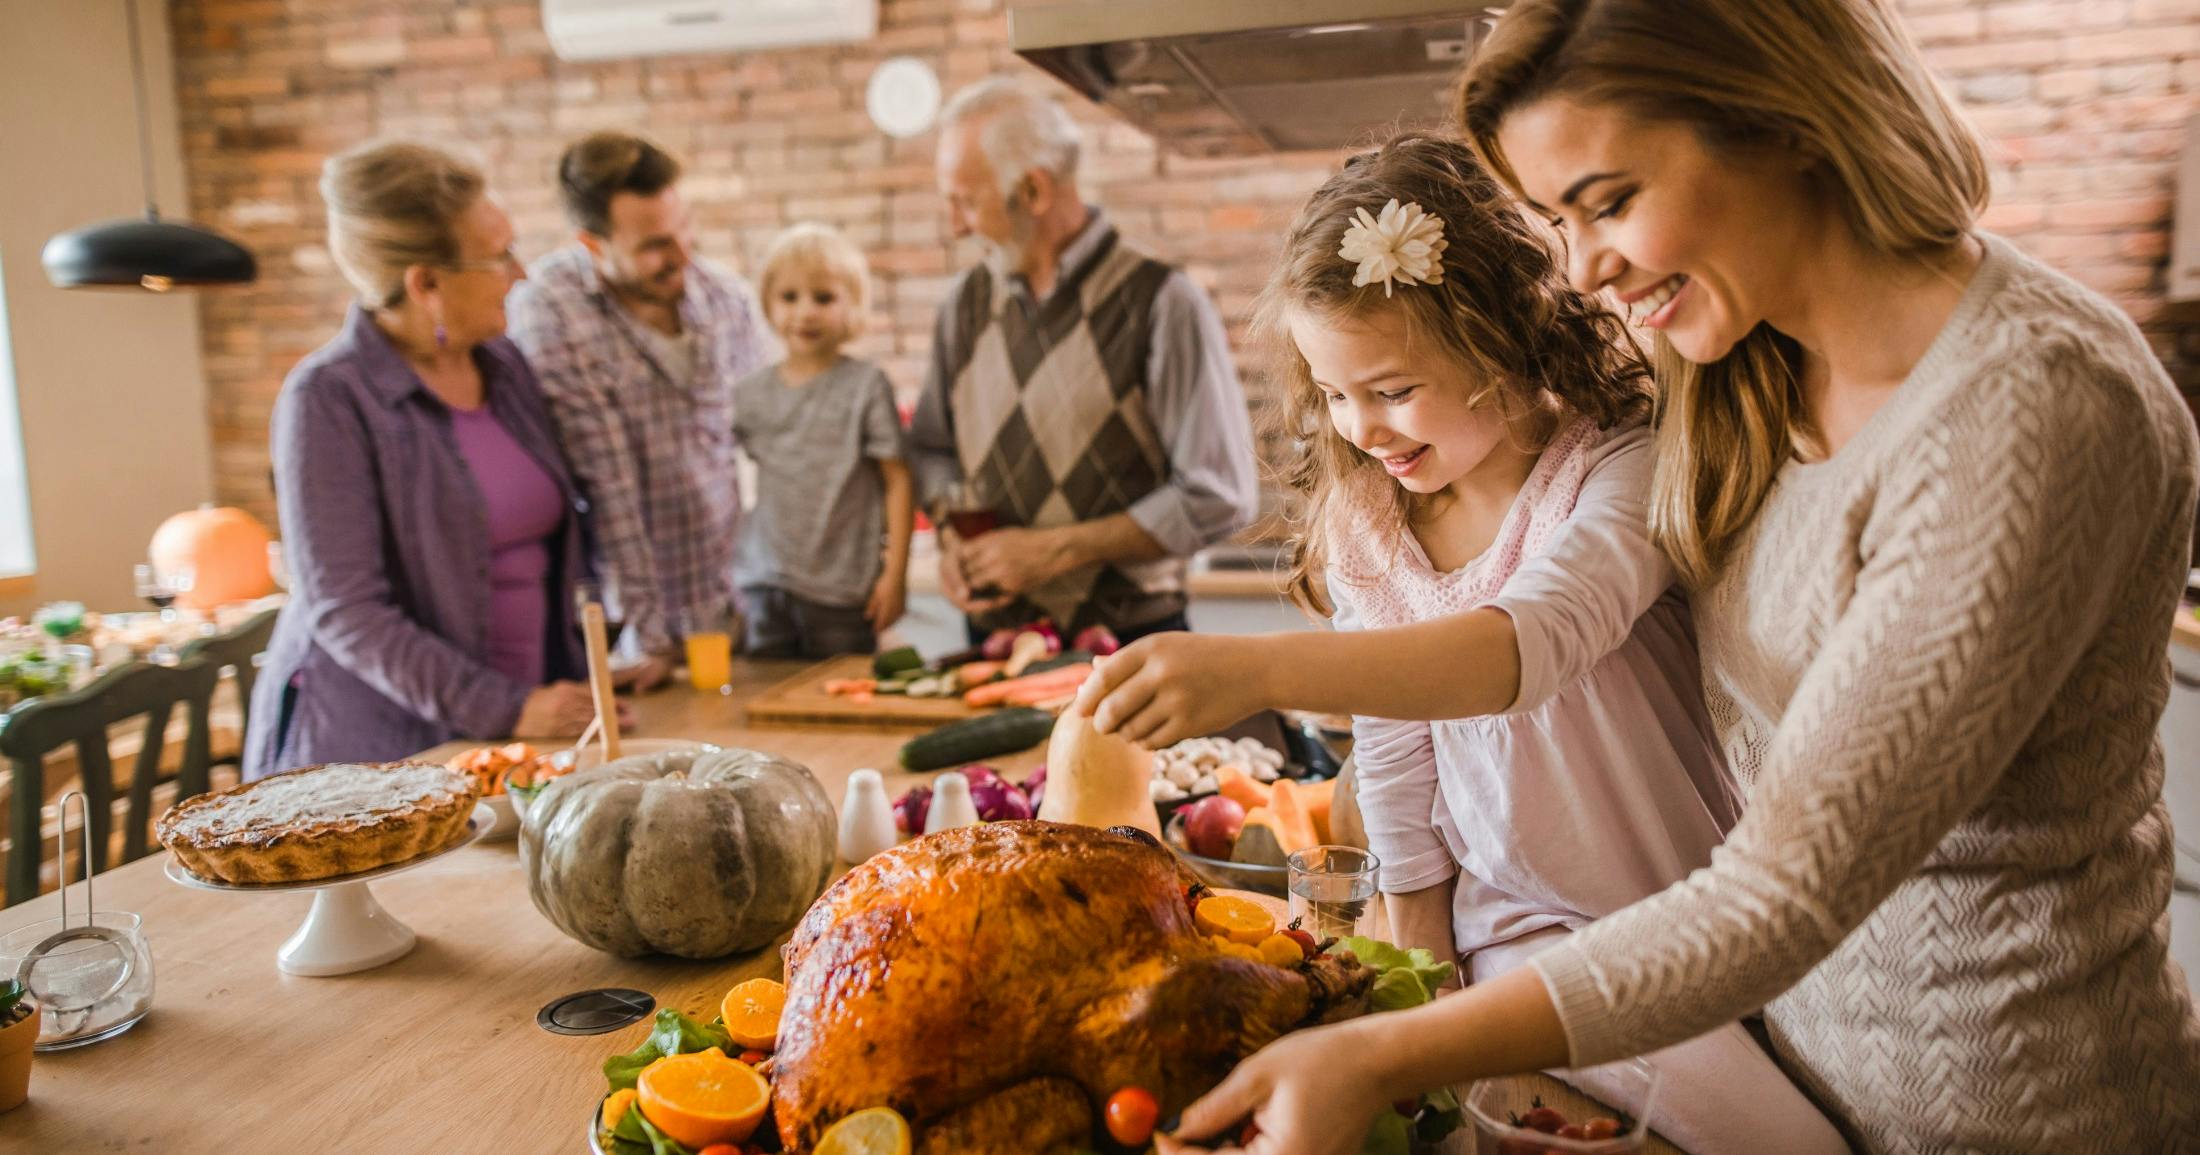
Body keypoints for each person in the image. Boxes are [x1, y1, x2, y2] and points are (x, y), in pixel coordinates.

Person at [1142, 1, 2200, 1151]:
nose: (1583, 269)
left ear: (1784, 121)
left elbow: (1781, 891)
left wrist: (1388, 1046)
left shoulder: (2030, 406)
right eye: (1557, 216)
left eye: (1608, 202)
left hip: (2007, 1109)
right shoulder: (1735, 367)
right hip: (1786, 1051)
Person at [1079, 134, 1848, 1155]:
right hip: (1517, 935)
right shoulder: (1369, 524)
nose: (1362, 428)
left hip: (1686, 920)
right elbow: (1395, 755)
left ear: (1501, 344)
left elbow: (1527, 648)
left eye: (1393, 389)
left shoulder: (1615, 476)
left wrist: (1254, 665)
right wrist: (1425, 973)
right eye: (1335, 393)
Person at [245, 141, 602, 781]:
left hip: (518, 732)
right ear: (426, 283)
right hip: (382, 752)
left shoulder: (507, 368)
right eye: (497, 257)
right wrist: (507, 706)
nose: (519, 274)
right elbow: (346, 610)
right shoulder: (327, 398)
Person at [908, 77, 1260, 643]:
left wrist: (1053, 552)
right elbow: (931, 448)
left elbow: (1217, 496)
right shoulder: (963, 305)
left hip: (1131, 648)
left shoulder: (1162, 303)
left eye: (966, 202)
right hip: (993, 647)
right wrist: (952, 538)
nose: (955, 227)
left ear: (1035, 193)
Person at [507, 131, 771, 688]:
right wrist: (646, 633)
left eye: (684, 230)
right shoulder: (550, 307)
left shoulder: (726, 300)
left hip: (734, 611)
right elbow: (605, 479)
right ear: (592, 243)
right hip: (626, 633)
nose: (682, 255)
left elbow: (769, 448)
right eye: (654, 245)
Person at [732, 223, 914, 657]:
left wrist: (896, 574)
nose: (806, 312)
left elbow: (899, 480)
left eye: (824, 297)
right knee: (763, 700)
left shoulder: (867, 387)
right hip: (765, 583)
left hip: (843, 591)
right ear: (768, 305)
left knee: (841, 699)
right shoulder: (749, 394)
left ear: (852, 306)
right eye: (789, 297)